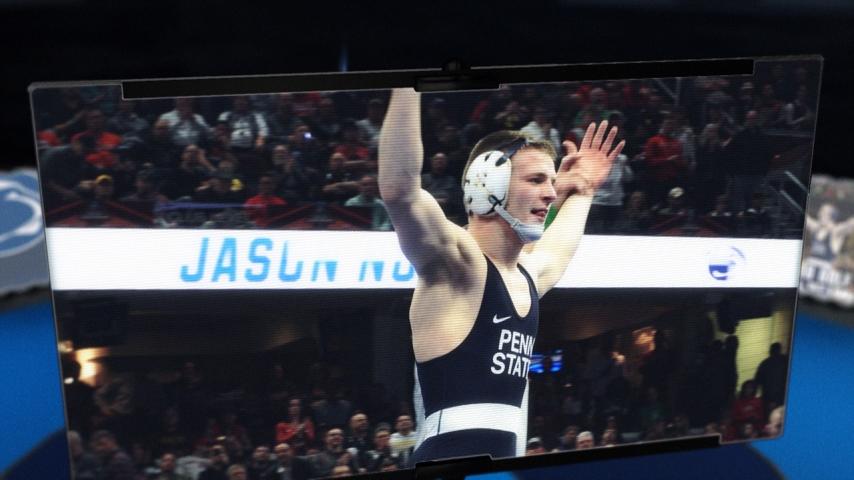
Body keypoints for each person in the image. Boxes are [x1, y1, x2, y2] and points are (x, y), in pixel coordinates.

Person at [378, 89, 623, 463]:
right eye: (536, 180)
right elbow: (400, 192)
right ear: (488, 183)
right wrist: (408, 84)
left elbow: (558, 251)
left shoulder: (525, 277)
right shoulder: (457, 266)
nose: (551, 194)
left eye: (552, 182)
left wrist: (585, 188)